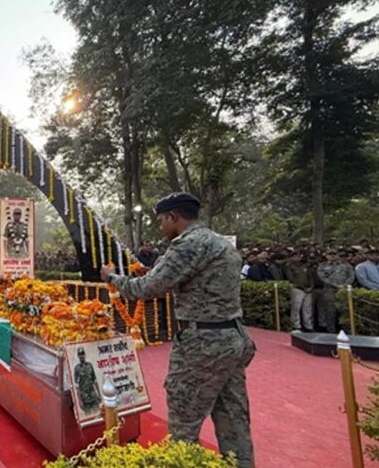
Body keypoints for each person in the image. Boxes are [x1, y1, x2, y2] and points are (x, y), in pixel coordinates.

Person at [100, 193, 255, 467]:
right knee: (233, 418)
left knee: (184, 422)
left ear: (174, 217)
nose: (161, 227)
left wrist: (112, 278)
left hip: (202, 344)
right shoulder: (221, 243)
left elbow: (147, 288)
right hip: (233, 338)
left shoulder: (187, 244)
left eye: (162, 220)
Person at [316, 250, 355, 333]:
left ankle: (346, 330)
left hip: (343, 290)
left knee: (344, 311)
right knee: (330, 311)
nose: (332, 256)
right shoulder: (322, 265)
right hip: (330, 290)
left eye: (334, 254)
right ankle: (331, 331)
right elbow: (323, 278)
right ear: (326, 256)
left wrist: (344, 285)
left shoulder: (345, 265)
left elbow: (351, 276)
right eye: (330, 254)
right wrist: (336, 285)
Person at [284, 251, 316, 332]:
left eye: (298, 256)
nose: (297, 258)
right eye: (295, 256)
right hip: (297, 289)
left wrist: (311, 287)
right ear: (291, 257)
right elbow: (291, 278)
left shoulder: (305, 266)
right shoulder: (289, 267)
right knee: (296, 308)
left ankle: (308, 325)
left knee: (308, 308)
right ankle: (296, 325)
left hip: (308, 289)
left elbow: (310, 277)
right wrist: (303, 287)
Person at [73, 347, 100, 415]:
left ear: (84, 354)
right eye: (80, 354)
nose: (81, 356)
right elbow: (77, 386)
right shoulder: (77, 368)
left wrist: (99, 394)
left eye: (82, 354)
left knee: (98, 414)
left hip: (93, 395)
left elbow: (95, 380)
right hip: (85, 397)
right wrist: (80, 400)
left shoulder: (89, 365)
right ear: (78, 356)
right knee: (89, 416)